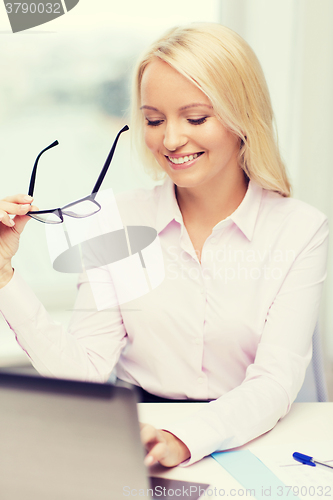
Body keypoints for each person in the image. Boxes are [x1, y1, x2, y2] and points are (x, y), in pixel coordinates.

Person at [0, 23, 329, 468]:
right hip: (141, 440)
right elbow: (84, 371)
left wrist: (184, 437)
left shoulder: (300, 230)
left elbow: (274, 382)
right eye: (154, 120)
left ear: (242, 118)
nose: (170, 140)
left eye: (195, 118)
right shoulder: (115, 222)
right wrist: (4, 275)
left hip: (252, 440)